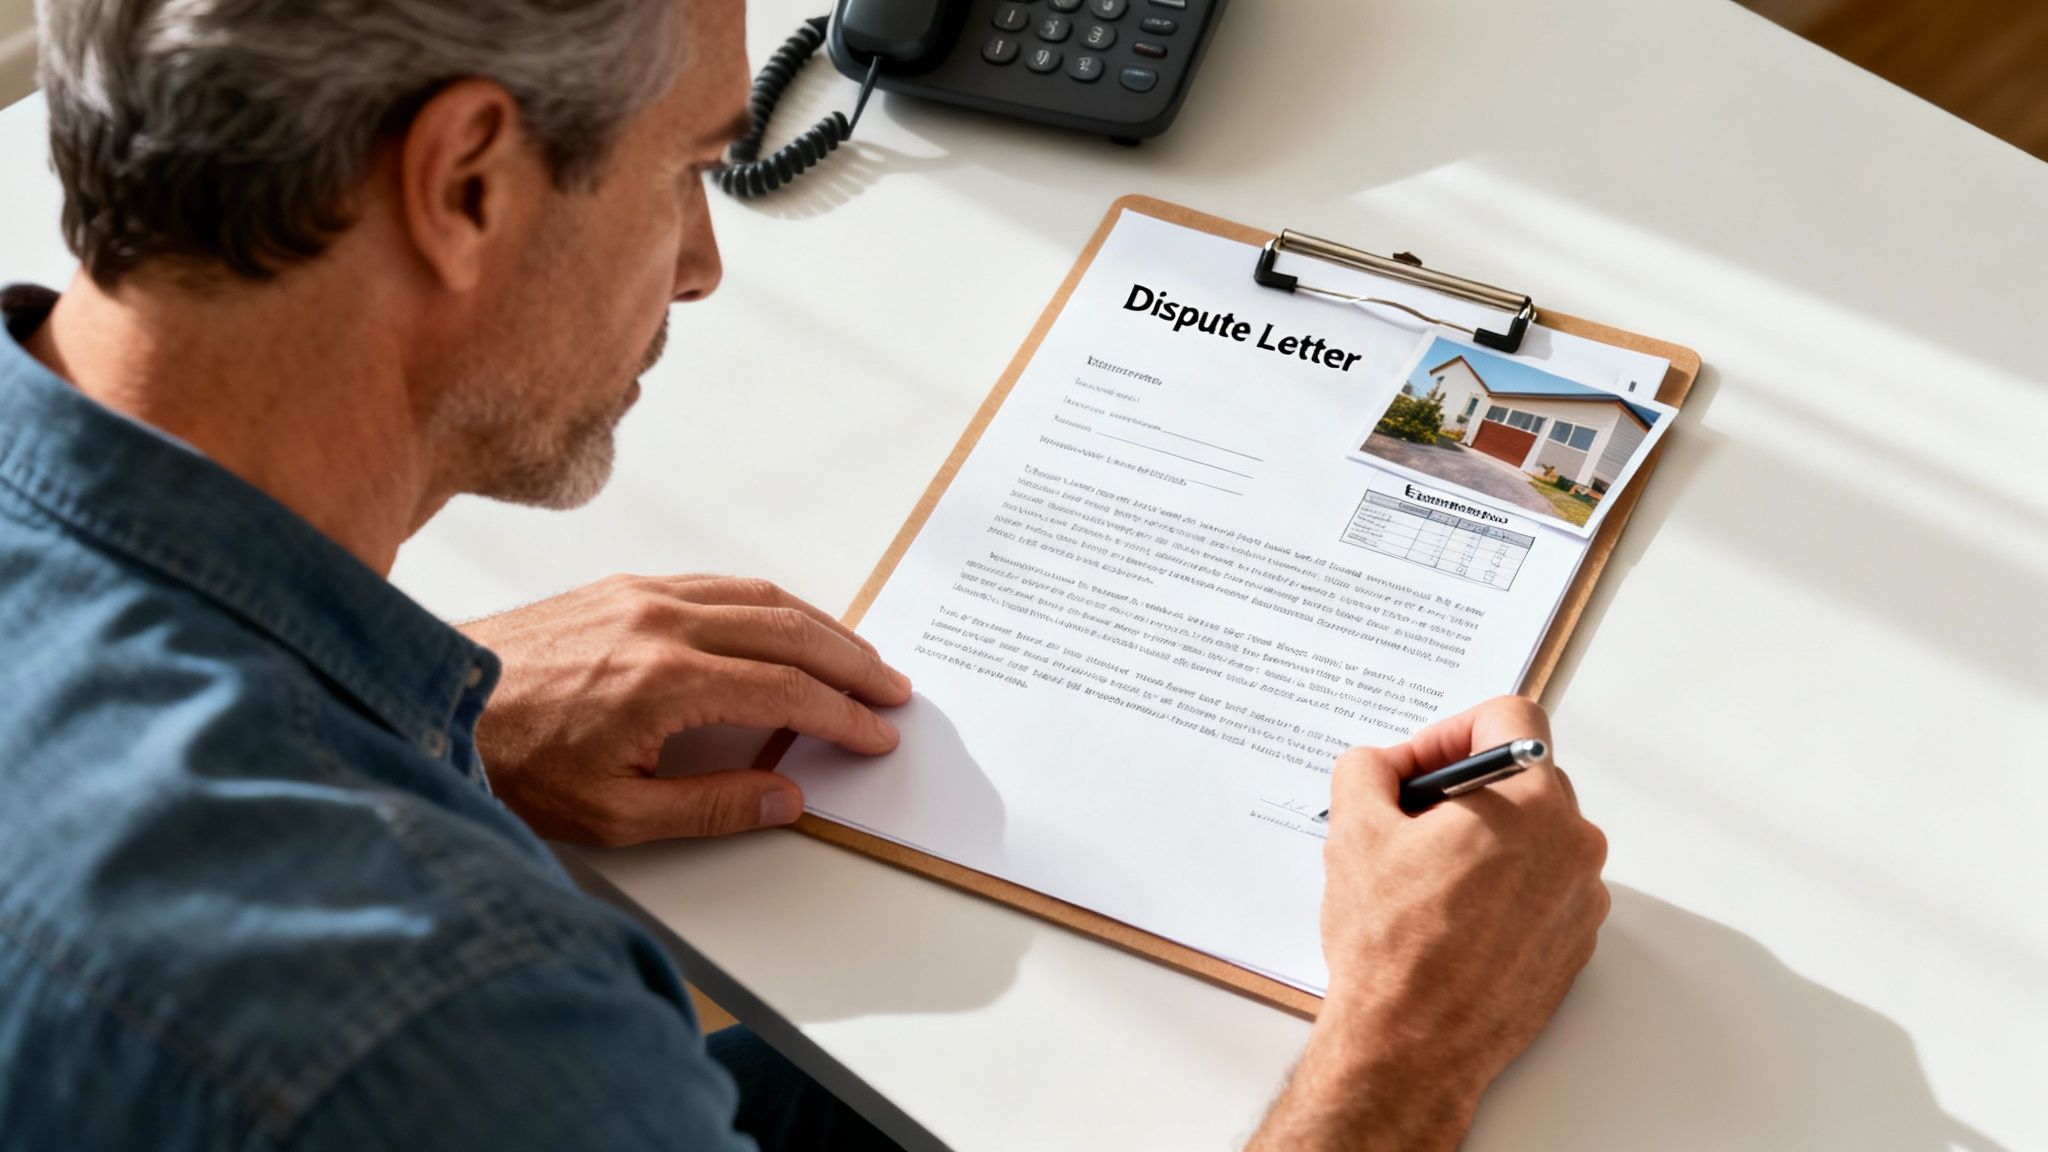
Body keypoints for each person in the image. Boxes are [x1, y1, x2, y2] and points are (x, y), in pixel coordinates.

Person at [0, 0, 1609, 1148]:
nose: (702, 263)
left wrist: (427, 711)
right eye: (694, 163)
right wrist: (1407, 1053)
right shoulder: (449, 1026)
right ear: (467, 181)